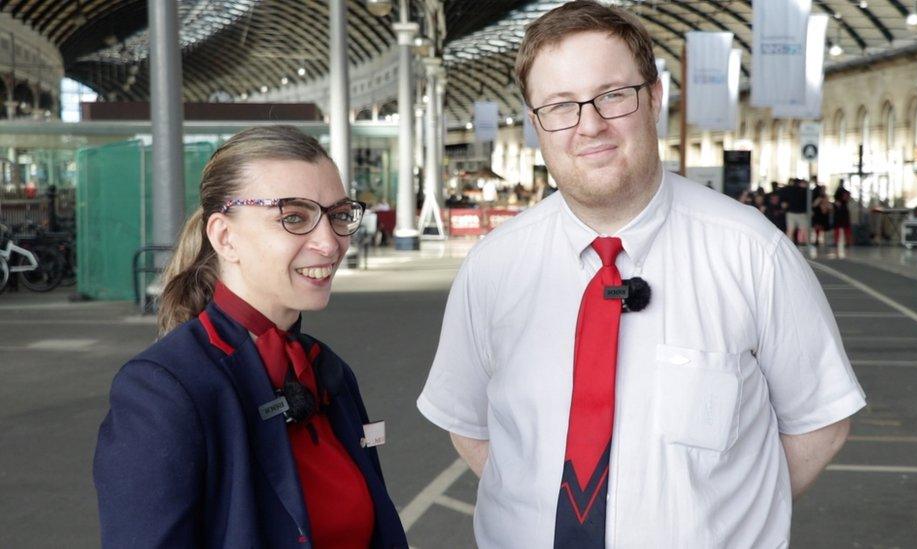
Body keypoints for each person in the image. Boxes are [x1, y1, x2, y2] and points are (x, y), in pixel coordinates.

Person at [417, 2, 865, 547]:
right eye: (560, 106)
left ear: (654, 97)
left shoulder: (753, 254)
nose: (590, 125)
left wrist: (724, 523)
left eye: (612, 95)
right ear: (536, 125)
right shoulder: (492, 267)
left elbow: (821, 422)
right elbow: (466, 423)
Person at [93, 126, 408, 548]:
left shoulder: (327, 371)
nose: (331, 243)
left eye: (338, 215)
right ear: (225, 237)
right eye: (294, 217)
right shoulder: (163, 391)